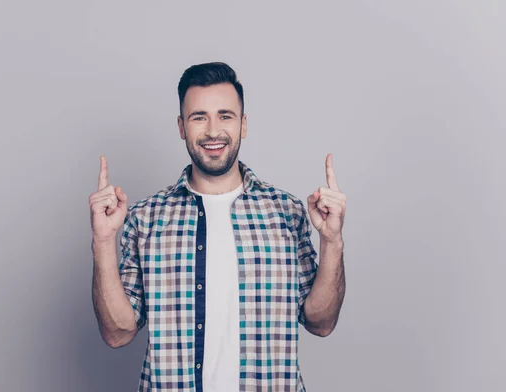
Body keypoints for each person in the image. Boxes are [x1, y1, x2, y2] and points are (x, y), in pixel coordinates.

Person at [89, 62, 346, 391]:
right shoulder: (146, 218)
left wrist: (333, 242)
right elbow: (117, 333)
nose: (213, 131)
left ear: (243, 124)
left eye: (225, 115)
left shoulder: (287, 213)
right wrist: (103, 241)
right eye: (199, 117)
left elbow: (321, 323)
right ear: (182, 127)